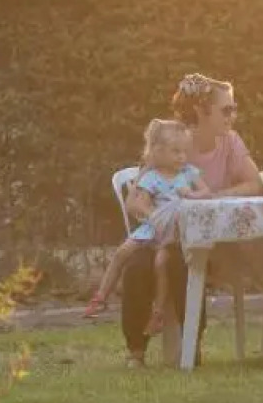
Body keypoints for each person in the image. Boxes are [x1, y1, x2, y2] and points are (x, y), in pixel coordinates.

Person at [118, 73, 263, 367]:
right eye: (227, 109)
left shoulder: (230, 142)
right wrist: (158, 218)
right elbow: (134, 200)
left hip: (213, 243)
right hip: (166, 237)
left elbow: (254, 184)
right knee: (139, 265)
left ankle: (190, 349)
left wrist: (214, 197)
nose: (232, 115)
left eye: (233, 108)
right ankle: (136, 351)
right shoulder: (172, 140)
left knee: (184, 260)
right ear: (201, 111)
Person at [85, 119, 210, 328]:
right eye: (175, 152)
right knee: (122, 252)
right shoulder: (152, 177)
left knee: (161, 263)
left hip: (175, 230)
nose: (182, 157)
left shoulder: (188, 173)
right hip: (155, 224)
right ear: (158, 152)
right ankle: (101, 296)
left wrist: (192, 194)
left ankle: (158, 312)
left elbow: (206, 192)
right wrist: (152, 215)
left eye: (183, 152)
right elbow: (138, 204)